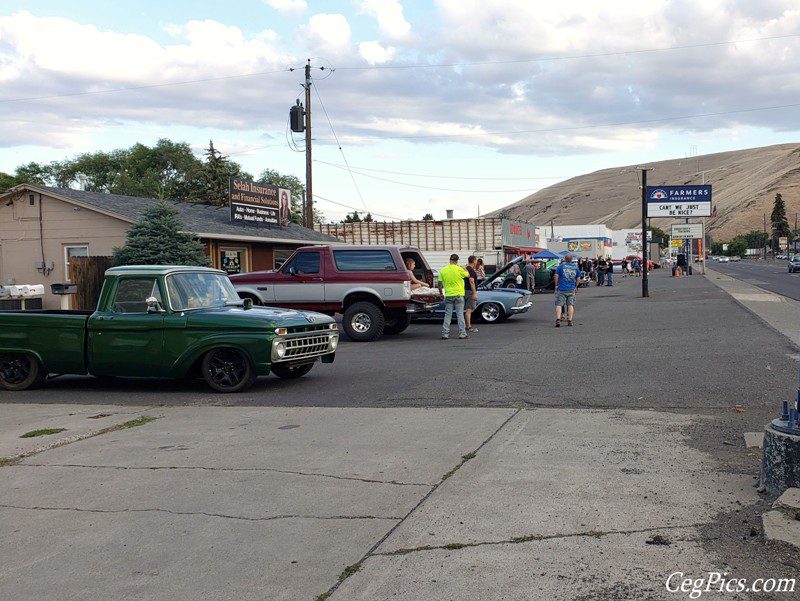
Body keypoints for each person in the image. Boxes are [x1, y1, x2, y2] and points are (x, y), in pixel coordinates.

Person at [437, 254, 469, 340]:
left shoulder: (443, 270)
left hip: (448, 295)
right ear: (457, 260)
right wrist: (464, 268)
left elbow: (439, 283)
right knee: (460, 315)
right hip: (459, 295)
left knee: (447, 315)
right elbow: (468, 275)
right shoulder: (459, 269)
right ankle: (462, 333)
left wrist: (440, 293)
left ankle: (445, 334)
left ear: (450, 260)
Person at [554, 253, 579, 327]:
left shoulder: (560, 267)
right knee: (570, 305)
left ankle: (558, 319)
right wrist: (576, 286)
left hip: (561, 288)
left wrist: (556, 285)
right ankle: (570, 320)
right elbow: (578, 278)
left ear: (565, 259)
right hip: (571, 289)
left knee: (559, 304)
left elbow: (556, 276)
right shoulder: (575, 268)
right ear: (571, 260)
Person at [464, 255, 479, 333]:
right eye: (476, 260)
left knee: (468, 309)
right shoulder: (471, 270)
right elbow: (471, 281)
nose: (477, 262)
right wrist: (474, 293)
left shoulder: (466, 268)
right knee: (469, 310)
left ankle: (467, 325)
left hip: (465, 290)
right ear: (473, 261)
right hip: (470, 292)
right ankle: (468, 326)